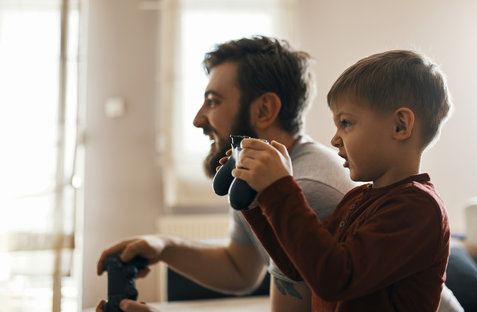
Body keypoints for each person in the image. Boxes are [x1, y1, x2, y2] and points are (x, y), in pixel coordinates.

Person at [95, 36, 357, 312]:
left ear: (264, 110)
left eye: (213, 101)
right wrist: (163, 247)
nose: (198, 119)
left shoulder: (303, 191)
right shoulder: (254, 171)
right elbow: (239, 269)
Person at [232, 50, 452, 311]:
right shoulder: (356, 199)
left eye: (345, 123)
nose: (335, 139)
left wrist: (280, 188)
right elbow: (299, 267)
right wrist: (257, 200)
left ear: (400, 126)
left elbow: (335, 279)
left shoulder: (418, 208)